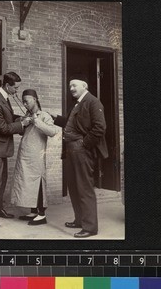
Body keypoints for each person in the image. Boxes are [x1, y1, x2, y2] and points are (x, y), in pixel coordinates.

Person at [51, 75, 108, 238]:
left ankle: (90, 227)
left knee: (84, 187)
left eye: (74, 85)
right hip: (70, 151)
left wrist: (84, 144)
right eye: (70, 86)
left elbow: (99, 128)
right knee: (74, 187)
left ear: (85, 85)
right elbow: (70, 123)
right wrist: (53, 118)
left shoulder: (93, 102)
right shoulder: (77, 104)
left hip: (81, 150)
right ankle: (79, 220)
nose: (71, 89)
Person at [0, 72, 31, 227]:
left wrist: (20, 119)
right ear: (7, 85)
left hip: (1, 145)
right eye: (15, 88)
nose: (17, 91)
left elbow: (8, 117)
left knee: (2, 179)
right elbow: (3, 128)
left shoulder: (3, 98)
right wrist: (22, 125)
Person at [11, 89, 57, 225]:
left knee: (38, 182)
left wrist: (37, 121)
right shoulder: (27, 115)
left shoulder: (44, 115)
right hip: (25, 155)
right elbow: (23, 133)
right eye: (23, 101)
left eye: (27, 101)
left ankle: (42, 214)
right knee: (27, 183)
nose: (25, 104)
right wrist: (23, 122)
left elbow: (52, 131)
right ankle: (33, 211)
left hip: (36, 156)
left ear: (35, 99)